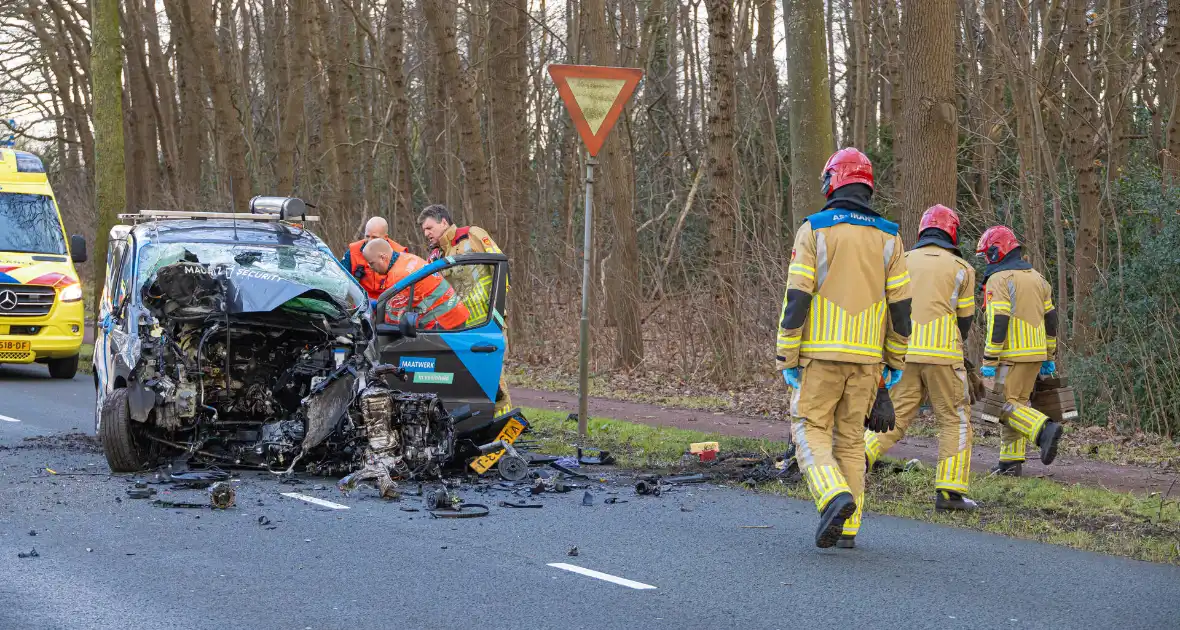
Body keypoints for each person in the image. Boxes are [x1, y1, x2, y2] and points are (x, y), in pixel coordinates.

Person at [776, 147, 912, 549]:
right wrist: (895, 360)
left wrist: (787, 355)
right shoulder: (890, 236)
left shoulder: (815, 229)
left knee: (809, 428)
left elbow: (796, 297)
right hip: (867, 360)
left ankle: (832, 496)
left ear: (832, 181)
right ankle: (849, 531)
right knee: (851, 439)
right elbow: (902, 309)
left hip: (819, 355)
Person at [862, 205, 978, 512]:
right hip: (944, 356)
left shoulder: (903, 261)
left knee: (894, 418)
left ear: (922, 231)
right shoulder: (963, 268)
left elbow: (887, 306)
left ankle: (860, 456)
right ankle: (950, 493)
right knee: (954, 420)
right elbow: (964, 320)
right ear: (952, 232)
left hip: (904, 353)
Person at [975, 226, 1064, 476]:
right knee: (1017, 405)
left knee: (1003, 407)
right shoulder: (1038, 278)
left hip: (1010, 355)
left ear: (996, 252)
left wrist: (989, 360)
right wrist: (1049, 356)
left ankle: (1043, 429)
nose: (985, 260)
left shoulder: (998, 280)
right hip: (1035, 355)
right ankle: (1010, 464)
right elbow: (1051, 320)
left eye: (986, 255)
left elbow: (999, 321)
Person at [419, 204, 512, 416]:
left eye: (429, 228)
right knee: (471, 382)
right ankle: (479, 427)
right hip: (458, 329)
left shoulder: (472, 235)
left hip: (487, 322)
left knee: (493, 380)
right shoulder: (435, 257)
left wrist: (497, 309)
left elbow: (500, 268)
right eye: (424, 230)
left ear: (444, 222)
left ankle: (503, 428)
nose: (426, 234)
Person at [361, 238, 468, 330]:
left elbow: (392, 321)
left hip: (443, 324)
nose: (370, 267)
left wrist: (375, 310)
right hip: (456, 314)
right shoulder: (407, 258)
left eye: (371, 263)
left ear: (383, 257)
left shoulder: (396, 276)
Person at [342, 217, 411, 301]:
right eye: (367, 236)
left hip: (390, 304)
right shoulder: (353, 252)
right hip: (363, 304)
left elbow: (406, 289)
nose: (370, 241)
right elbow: (340, 279)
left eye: (374, 237)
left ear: (385, 237)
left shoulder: (400, 253)